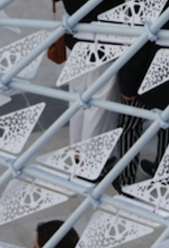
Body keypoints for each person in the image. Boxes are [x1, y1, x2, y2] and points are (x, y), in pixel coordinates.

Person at [113, 2, 169, 189]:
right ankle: (164, 176)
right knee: (168, 128)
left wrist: (127, 88)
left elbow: (138, 49)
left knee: (130, 128)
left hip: (143, 83)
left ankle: (127, 180)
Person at [55, 0, 122, 146]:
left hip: (76, 39)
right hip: (105, 44)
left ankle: (77, 148)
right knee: (99, 103)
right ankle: (89, 152)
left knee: (76, 97)